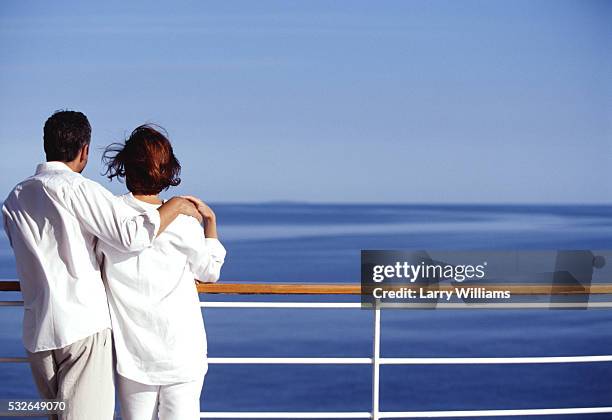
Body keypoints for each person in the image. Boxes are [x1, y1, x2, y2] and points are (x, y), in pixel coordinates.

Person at [1, 110, 203, 420]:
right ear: (83, 151)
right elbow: (131, 236)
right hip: (82, 326)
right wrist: (175, 206)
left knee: (58, 414)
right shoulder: (81, 190)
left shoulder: (15, 197)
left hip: (38, 330)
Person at [97, 124, 225, 420]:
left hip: (133, 355)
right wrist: (210, 223)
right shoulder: (183, 222)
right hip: (182, 351)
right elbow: (209, 272)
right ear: (168, 172)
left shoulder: (108, 217)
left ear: (126, 168)